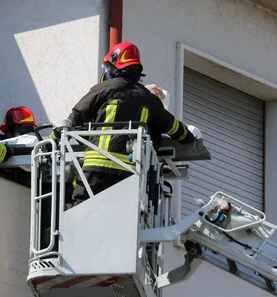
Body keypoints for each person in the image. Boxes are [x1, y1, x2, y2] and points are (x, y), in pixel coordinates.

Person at [57, 41, 201, 207]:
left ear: (115, 65)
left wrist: (56, 136)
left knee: (81, 212)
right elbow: (172, 126)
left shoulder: (104, 88)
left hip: (96, 168)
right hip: (129, 174)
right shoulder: (149, 99)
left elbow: (78, 114)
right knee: (119, 220)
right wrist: (188, 136)